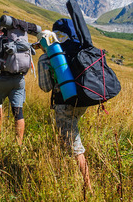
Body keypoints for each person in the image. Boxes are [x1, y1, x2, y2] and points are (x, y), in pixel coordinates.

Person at [37, 32, 92, 192]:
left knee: (75, 146)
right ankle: (66, 173)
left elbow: (45, 86)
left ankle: (88, 188)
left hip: (63, 102)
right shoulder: (70, 50)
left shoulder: (46, 58)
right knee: (68, 139)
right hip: (82, 100)